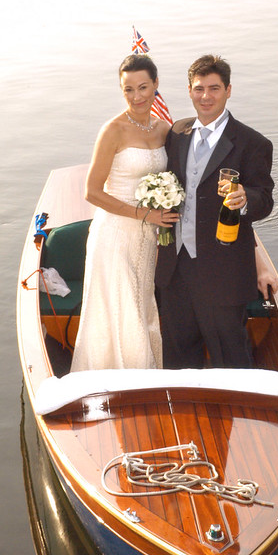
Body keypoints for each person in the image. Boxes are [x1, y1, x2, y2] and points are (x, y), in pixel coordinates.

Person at [155, 54, 275, 369]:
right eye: (199, 89)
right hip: (175, 266)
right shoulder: (177, 133)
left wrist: (244, 197)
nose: (206, 96)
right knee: (177, 352)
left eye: (214, 89)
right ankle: (183, 411)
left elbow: (265, 199)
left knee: (230, 354)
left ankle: (237, 413)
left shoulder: (252, 143)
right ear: (190, 91)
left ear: (228, 90)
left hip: (223, 268)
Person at [71, 54, 179, 371]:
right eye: (128, 89)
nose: (137, 97)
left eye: (143, 87)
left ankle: (144, 375)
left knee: (142, 304)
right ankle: (117, 378)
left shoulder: (163, 129)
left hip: (149, 235)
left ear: (156, 84)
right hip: (115, 233)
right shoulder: (113, 131)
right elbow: (92, 191)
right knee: (121, 306)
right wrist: (144, 215)